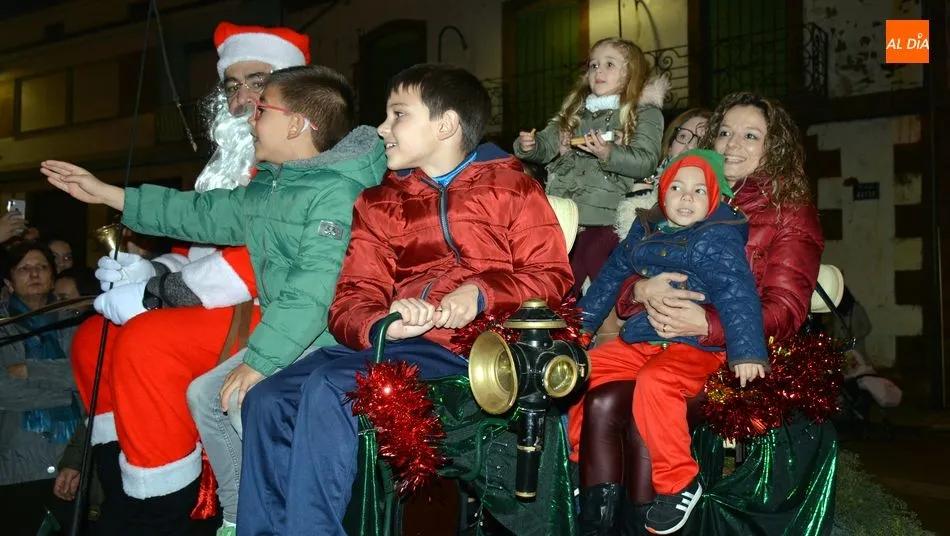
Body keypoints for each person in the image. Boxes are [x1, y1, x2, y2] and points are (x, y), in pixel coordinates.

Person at [44, 64, 386, 536]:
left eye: (262, 108)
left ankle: (286, 515)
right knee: (205, 393)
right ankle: (238, 514)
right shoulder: (272, 186)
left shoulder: (334, 192)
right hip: (290, 335)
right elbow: (199, 214)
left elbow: (313, 287)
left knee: (248, 401)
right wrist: (109, 193)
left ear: (296, 124)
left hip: (322, 336)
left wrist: (259, 362)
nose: (250, 117)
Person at [237, 63, 574, 536]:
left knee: (331, 387)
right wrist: (383, 323)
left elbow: (551, 276)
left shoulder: (511, 187)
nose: (382, 128)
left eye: (398, 114)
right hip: (400, 347)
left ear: (446, 125)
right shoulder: (378, 202)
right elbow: (352, 295)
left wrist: (481, 294)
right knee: (267, 398)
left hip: (477, 354)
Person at [580, 92, 827, 534]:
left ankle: (658, 512)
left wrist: (706, 325)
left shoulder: (789, 213)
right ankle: (595, 508)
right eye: (726, 132)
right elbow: (623, 275)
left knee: (648, 402)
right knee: (591, 387)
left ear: (775, 147)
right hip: (649, 336)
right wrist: (640, 290)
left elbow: (785, 311)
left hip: (729, 352)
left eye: (751, 135)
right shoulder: (681, 199)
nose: (733, 144)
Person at [569, 149, 768, 535]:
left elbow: (737, 293)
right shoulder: (645, 232)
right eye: (677, 188)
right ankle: (581, 461)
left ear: (713, 198)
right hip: (643, 341)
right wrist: (583, 329)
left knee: (656, 384)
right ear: (662, 195)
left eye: (698, 189)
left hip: (697, 348)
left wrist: (746, 351)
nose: (686, 197)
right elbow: (609, 280)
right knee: (583, 370)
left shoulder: (717, 238)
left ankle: (679, 483)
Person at [514, 37, 666, 297]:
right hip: (566, 216)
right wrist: (529, 145)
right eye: (593, 65)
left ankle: (603, 328)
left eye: (609, 64)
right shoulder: (575, 111)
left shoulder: (643, 113)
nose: (598, 71)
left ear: (632, 72)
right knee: (557, 284)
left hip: (607, 218)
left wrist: (609, 153)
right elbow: (547, 144)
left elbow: (646, 160)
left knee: (599, 281)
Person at [0, 242, 83, 536]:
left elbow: (89, 376)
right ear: (9, 281)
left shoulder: (76, 322)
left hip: (73, 462)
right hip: (16, 464)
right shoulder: (3, 327)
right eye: (24, 268)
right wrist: (66, 393)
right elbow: (4, 390)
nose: (34, 273)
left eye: (42, 266)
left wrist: (32, 370)